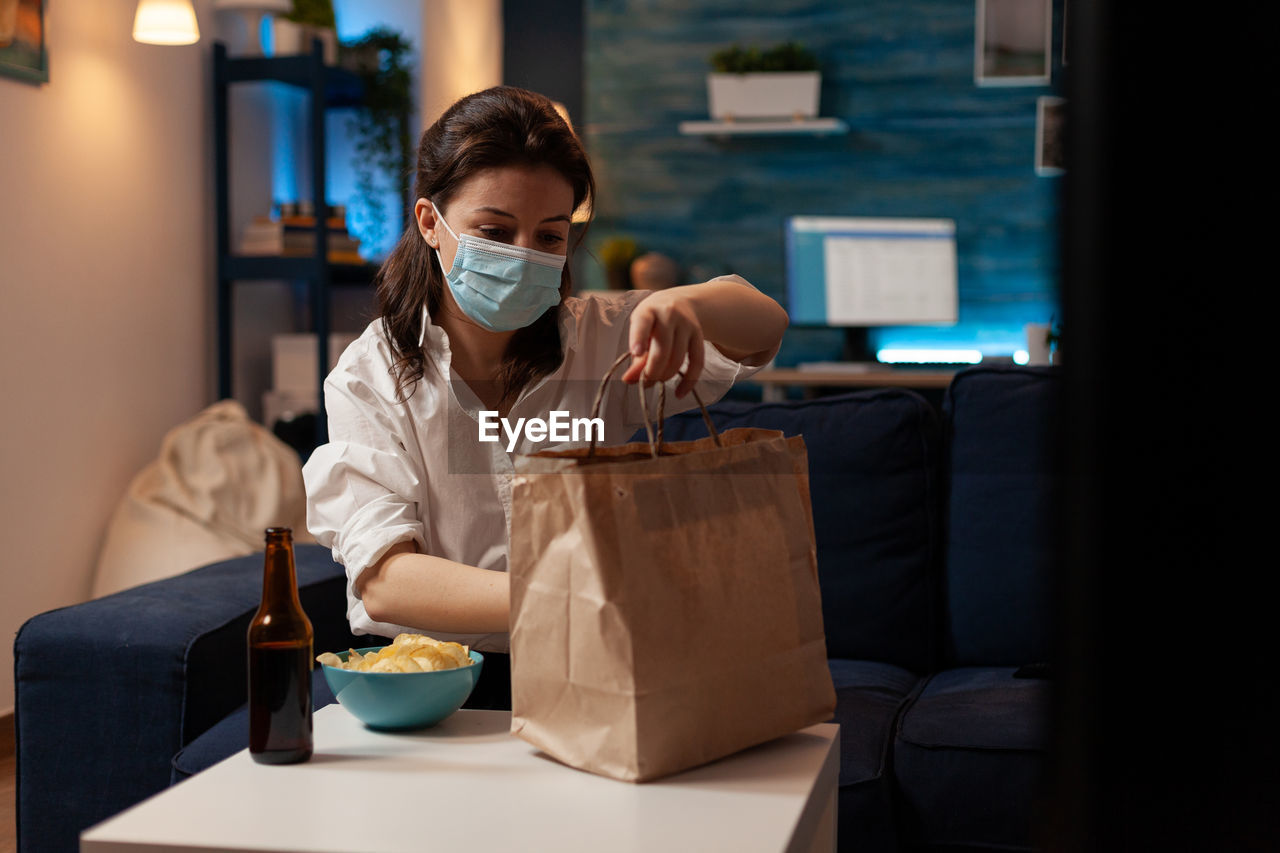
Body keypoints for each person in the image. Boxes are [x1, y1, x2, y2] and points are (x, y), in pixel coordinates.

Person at [302, 86, 788, 708]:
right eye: (495, 231)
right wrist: (582, 592)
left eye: (549, 237)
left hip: (592, 669)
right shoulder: (372, 377)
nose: (524, 256)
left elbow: (765, 326)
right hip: (440, 685)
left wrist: (686, 302)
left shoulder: (601, 339)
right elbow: (388, 583)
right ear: (431, 222)